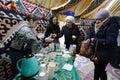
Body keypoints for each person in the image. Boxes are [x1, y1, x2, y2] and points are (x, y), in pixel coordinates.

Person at [85, 8, 119, 80]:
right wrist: (88, 38)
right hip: (96, 52)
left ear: (105, 19)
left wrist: (94, 40)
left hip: (105, 53)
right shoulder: (95, 24)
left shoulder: (112, 25)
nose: (97, 21)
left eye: (100, 19)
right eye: (96, 19)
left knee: (100, 71)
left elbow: (111, 42)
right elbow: (90, 33)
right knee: (98, 70)